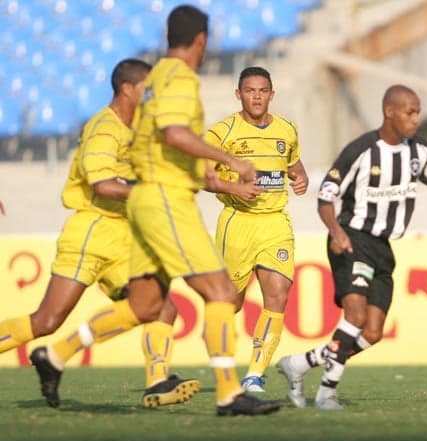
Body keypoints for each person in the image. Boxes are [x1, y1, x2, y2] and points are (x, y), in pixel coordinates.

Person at [0, 58, 201, 409]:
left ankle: (157, 382)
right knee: (46, 320)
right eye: (146, 89)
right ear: (127, 89)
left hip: (125, 236)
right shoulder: (103, 129)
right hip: (91, 232)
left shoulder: (140, 128)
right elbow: (103, 184)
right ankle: (56, 354)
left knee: (161, 308)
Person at [277, 84, 427, 409]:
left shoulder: (421, 152)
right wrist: (335, 231)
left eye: (418, 112)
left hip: (382, 248)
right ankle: (326, 394)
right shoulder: (360, 151)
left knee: (372, 332)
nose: (416, 119)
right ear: (389, 111)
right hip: (352, 239)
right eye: (410, 112)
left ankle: (301, 364)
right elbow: (325, 197)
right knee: (356, 315)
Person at [123, 5, 279, 415]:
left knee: (147, 306)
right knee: (222, 293)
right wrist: (232, 160)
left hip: (154, 196)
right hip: (165, 198)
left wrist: (223, 178)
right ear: (202, 40)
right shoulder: (179, 78)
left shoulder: (155, 76)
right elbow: (174, 134)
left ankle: (60, 353)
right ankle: (230, 393)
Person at [203, 66, 308, 393]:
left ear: (272, 95)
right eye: (250, 90)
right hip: (238, 223)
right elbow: (200, 176)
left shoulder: (286, 129)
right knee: (229, 303)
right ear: (239, 95)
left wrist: (300, 177)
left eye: (263, 90)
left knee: (278, 294)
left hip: (275, 221)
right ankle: (221, 357)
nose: (257, 96)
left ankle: (254, 374)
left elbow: (293, 163)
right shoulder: (222, 132)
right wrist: (234, 189)